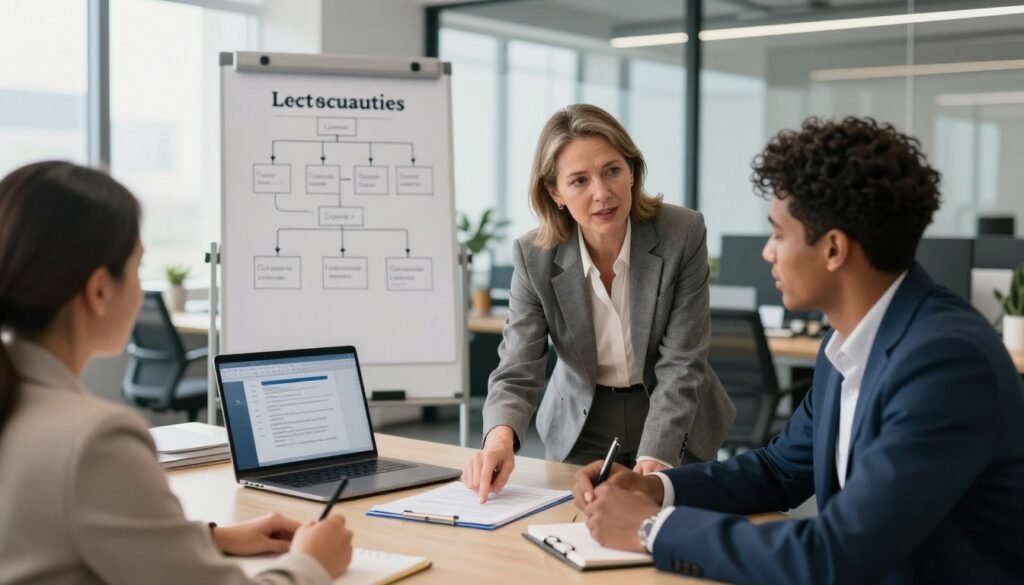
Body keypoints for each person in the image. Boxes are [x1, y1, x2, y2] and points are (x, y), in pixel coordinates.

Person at [572, 117, 1024, 584]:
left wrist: (650, 528)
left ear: (832, 249)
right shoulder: (844, 343)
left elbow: (834, 554)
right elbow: (777, 470)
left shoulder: (945, 364)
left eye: (779, 234)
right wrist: (653, 487)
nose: (769, 252)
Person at [0, 161, 353, 584]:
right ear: (98, 291)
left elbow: (52, 540)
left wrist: (209, 539)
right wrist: (311, 564)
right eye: (137, 269)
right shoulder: (95, 439)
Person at [463, 104, 736, 502]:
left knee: (675, 534)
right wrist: (499, 439)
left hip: (672, 413)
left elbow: (682, 362)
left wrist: (656, 455)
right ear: (554, 192)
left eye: (612, 170)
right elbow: (518, 366)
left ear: (632, 171)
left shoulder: (682, 233)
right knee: (572, 531)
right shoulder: (533, 255)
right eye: (579, 180)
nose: (602, 193)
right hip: (582, 418)